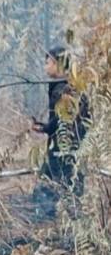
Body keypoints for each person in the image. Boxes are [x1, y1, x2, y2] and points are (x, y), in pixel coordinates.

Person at [31, 46, 90, 220]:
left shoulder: (64, 89)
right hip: (68, 148)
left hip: (64, 150)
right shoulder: (71, 86)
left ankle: (63, 228)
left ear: (58, 64)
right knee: (54, 186)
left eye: (47, 62)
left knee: (62, 188)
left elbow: (63, 119)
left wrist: (45, 128)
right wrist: (45, 127)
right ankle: (50, 225)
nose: (45, 67)